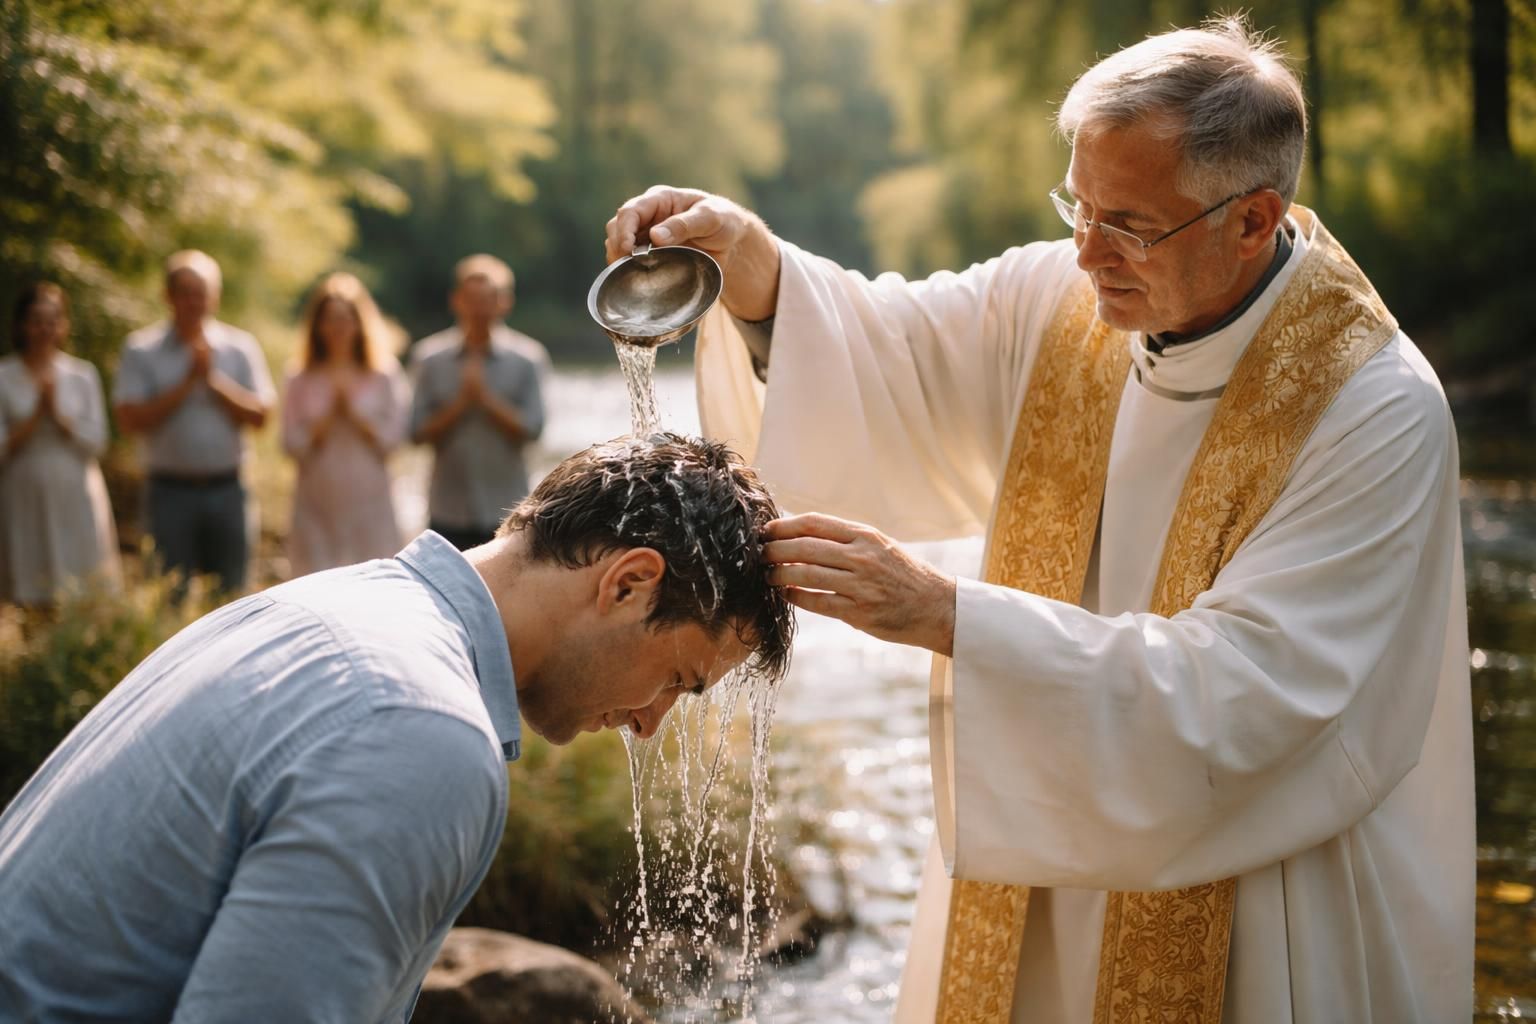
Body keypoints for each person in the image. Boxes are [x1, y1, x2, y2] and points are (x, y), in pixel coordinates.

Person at [606, 16, 1471, 1024]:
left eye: (1129, 224)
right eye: (1078, 205)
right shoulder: (1063, 296)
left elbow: (1253, 695)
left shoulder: (1372, 410)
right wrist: (755, 267)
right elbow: (897, 350)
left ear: (1252, 220)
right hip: (1036, 863)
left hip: (1258, 889)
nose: (1087, 252)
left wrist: (949, 616)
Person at [0, 432, 794, 1021]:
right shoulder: (421, 732)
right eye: (678, 680)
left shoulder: (331, 605)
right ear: (628, 584)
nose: (650, 724)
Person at [112, 250, 275, 593]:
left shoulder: (240, 348)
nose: (193, 301)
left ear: (215, 297)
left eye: (200, 293)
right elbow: (130, 420)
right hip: (167, 492)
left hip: (228, 490)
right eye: (184, 293)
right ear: (168, 296)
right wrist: (186, 384)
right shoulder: (141, 350)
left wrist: (213, 382)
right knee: (167, 593)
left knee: (232, 595)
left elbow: (261, 416)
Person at [410, 254, 550, 552]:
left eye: (488, 299)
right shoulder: (429, 359)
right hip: (447, 510)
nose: (479, 309)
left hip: (509, 510)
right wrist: (461, 404)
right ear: (456, 300)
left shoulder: (527, 358)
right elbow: (416, 433)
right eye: (472, 299)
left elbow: (534, 429)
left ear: (505, 302)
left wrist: (486, 399)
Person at [0, 283, 121, 606]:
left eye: (52, 321)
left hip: (75, 491)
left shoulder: (82, 375)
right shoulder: (4, 375)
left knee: (80, 583)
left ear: (63, 325)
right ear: (21, 325)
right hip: (23, 493)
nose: (44, 329)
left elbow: (98, 442)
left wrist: (57, 416)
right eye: (36, 321)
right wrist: (34, 416)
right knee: (28, 581)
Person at [282, 273, 410, 576]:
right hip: (316, 506)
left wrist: (354, 416)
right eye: (330, 319)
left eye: (345, 319)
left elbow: (395, 440)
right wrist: (325, 421)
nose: (338, 327)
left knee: (373, 582)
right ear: (317, 325)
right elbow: (289, 444)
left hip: (371, 505)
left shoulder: (384, 375)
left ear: (359, 323)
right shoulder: (300, 377)